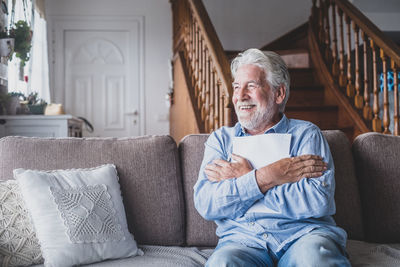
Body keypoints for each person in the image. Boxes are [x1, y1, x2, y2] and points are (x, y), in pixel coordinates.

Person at [194, 48, 351, 266]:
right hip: (242, 241)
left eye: (251, 86)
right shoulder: (220, 140)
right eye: (237, 87)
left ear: (279, 94)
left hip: (304, 236)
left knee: (314, 259)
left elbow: (317, 200)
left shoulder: (306, 135)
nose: (240, 96)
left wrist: (245, 178)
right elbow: (206, 203)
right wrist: (268, 176)